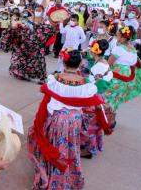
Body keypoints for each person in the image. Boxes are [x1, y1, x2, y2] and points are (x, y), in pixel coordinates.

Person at [28, 50, 103, 190]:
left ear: (63, 62)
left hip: (57, 120)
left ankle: (51, 176)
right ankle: (70, 176)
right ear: (80, 64)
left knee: (55, 147)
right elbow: (92, 99)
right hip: (75, 121)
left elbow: (43, 91)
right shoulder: (86, 85)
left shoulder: (54, 80)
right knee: (71, 147)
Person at [2, 6, 56, 84]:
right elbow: (20, 27)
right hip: (24, 43)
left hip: (37, 46)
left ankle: (42, 79)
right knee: (18, 59)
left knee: (39, 63)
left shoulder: (46, 21)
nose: (37, 11)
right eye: (36, 10)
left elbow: (51, 30)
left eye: (39, 10)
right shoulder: (28, 19)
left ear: (43, 12)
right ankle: (22, 74)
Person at [81, 39, 114, 159]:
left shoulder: (97, 67)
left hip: (94, 97)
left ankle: (89, 149)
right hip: (100, 96)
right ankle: (92, 146)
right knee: (96, 123)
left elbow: (91, 84)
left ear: (95, 51)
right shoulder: (104, 63)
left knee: (90, 124)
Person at [104, 26, 141, 110]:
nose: (116, 37)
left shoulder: (119, 49)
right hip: (127, 79)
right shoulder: (133, 49)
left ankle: (105, 119)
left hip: (116, 77)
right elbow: (134, 63)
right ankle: (112, 119)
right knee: (116, 99)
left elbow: (108, 64)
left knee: (106, 98)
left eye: (118, 35)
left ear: (122, 38)